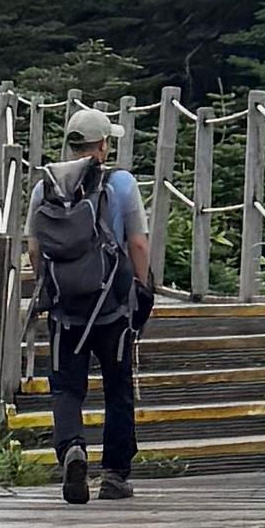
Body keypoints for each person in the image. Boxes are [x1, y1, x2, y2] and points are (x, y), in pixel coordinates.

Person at [27, 103, 157, 505]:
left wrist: (54, 285)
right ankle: (114, 475)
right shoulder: (122, 184)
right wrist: (141, 287)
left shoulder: (45, 186)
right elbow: (138, 243)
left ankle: (72, 448)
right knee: (118, 388)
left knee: (66, 388)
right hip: (112, 307)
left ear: (71, 145)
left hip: (66, 311)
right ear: (103, 145)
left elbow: (34, 248)